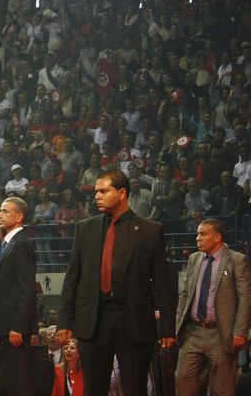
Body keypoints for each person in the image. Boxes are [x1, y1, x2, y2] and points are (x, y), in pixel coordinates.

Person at [57, 169, 176, 395]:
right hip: (93, 320)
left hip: (134, 321)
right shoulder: (85, 228)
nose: (97, 196)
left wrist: (167, 328)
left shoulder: (151, 230)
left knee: (134, 388)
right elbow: (72, 277)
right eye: (96, 192)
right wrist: (64, 321)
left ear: (122, 193)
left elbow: (162, 283)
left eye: (103, 191)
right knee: (93, 388)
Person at [175, 218, 251, 395]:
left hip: (221, 333)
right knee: (183, 383)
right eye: (197, 234)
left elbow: (245, 298)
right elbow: (184, 294)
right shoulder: (194, 258)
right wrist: (178, 323)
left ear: (217, 237)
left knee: (222, 388)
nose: (197, 238)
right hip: (192, 332)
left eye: (202, 234)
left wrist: (240, 331)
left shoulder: (237, 260)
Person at [0, 197, 36, 395]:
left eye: (5, 211)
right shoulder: (10, 243)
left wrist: (18, 325)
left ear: (19, 217)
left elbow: (27, 289)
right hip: (5, 326)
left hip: (14, 328)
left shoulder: (21, 243)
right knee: (13, 379)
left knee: (20, 380)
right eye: (0, 211)